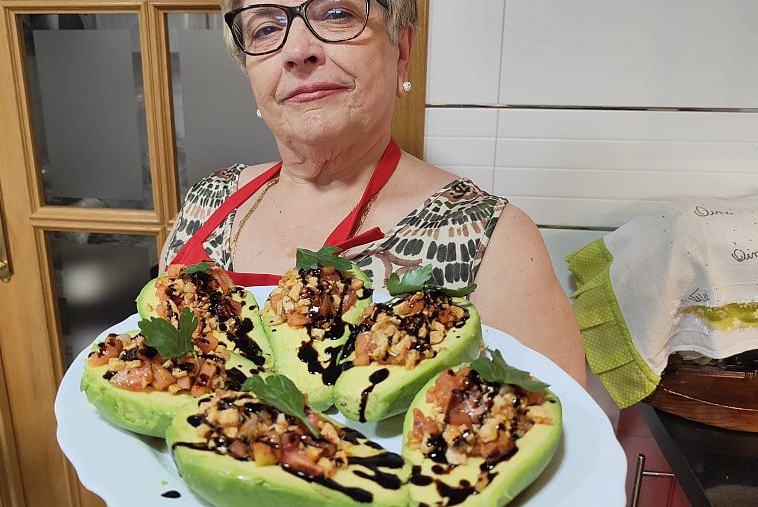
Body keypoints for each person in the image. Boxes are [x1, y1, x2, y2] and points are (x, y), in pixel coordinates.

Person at [161, 0, 588, 387]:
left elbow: (560, 442)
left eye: (336, 14)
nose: (297, 50)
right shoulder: (207, 199)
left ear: (401, 51)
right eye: (266, 29)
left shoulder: (491, 238)